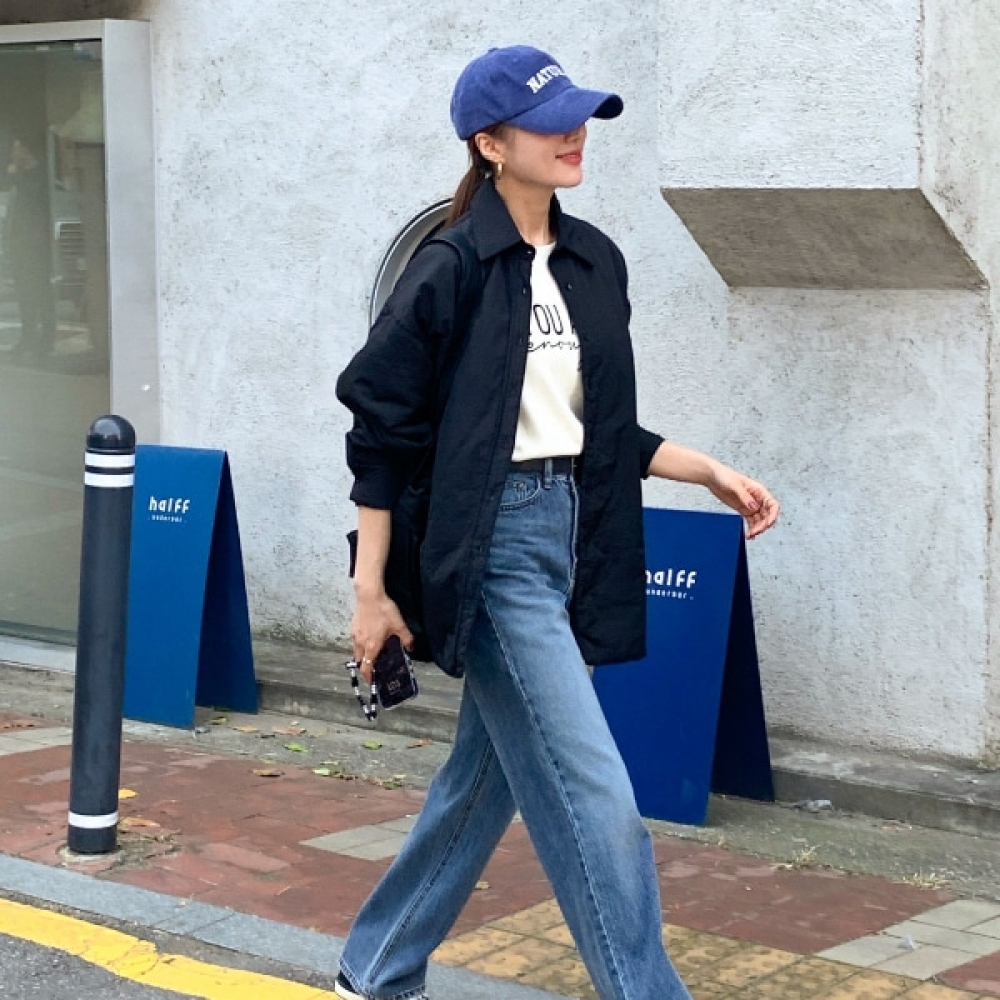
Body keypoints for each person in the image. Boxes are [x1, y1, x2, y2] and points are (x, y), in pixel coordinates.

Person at [335, 45, 780, 1000]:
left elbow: (595, 429)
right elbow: (382, 432)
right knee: (598, 800)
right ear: (490, 145)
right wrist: (370, 590)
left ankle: (373, 972)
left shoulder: (592, 261)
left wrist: (706, 470)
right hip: (491, 554)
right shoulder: (451, 267)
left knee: (479, 785)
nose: (574, 133)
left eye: (579, 116)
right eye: (548, 123)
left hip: (573, 538)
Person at [4, 136, 56, 360]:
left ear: (27, 151)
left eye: (17, 150)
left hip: (36, 246)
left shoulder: (38, 177)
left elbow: (34, 198)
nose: (13, 155)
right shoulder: (21, 178)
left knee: (41, 292)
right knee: (24, 294)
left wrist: (15, 176)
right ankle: (28, 337)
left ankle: (46, 339)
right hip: (21, 244)